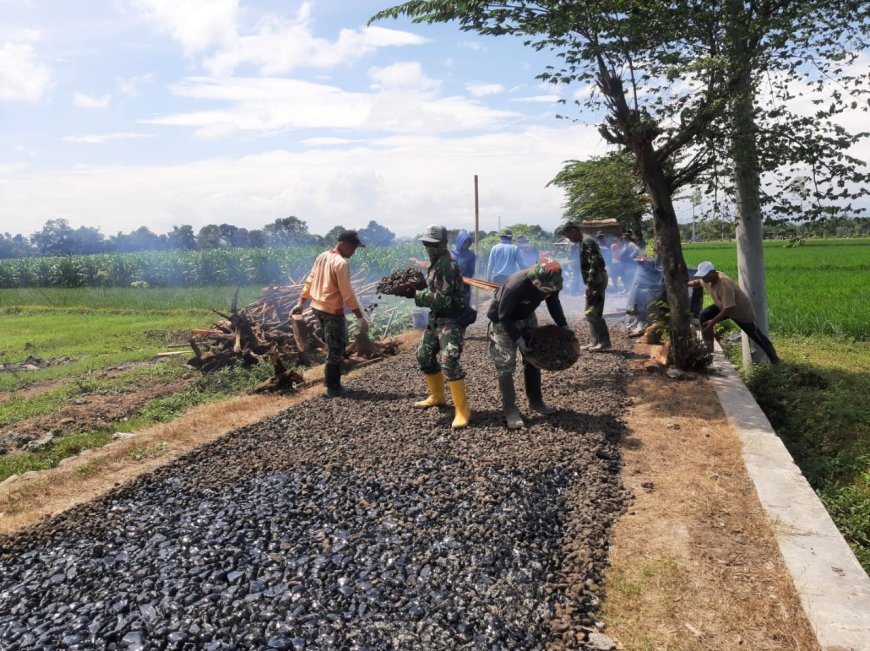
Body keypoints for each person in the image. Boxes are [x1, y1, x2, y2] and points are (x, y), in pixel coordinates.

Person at [394, 224, 471, 429]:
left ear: (444, 243)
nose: (429, 247)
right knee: (424, 355)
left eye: (433, 244)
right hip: (437, 319)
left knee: (449, 361)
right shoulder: (436, 263)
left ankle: (462, 410)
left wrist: (414, 294)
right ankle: (437, 397)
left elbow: (442, 299)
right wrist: (418, 288)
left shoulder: (446, 264)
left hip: (451, 319)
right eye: (426, 243)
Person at [487, 260, 568, 429]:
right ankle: (510, 409)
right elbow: (504, 316)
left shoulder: (552, 283)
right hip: (504, 320)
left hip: (527, 317)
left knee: (533, 357)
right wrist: (519, 341)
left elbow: (553, 303)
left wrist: (564, 326)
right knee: (506, 364)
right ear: (537, 281)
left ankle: (536, 401)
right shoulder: (516, 285)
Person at [293, 229, 368, 397]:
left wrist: (301, 302)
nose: (354, 252)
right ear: (342, 245)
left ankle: (330, 382)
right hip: (332, 311)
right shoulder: (341, 263)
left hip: (317, 307)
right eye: (353, 248)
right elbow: (347, 292)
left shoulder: (322, 256)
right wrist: (359, 316)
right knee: (336, 348)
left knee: (333, 344)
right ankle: (333, 387)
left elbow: (310, 279)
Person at [688, 261, 781, 364]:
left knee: (757, 336)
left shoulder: (725, 284)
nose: (703, 278)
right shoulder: (707, 279)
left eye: (705, 275)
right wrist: (685, 284)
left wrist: (713, 321)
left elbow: (728, 308)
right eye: (701, 275)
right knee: (704, 316)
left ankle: (775, 360)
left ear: (713, 272)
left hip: (740, 311)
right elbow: (697, 282)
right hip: (722, 305)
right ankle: (708, 348)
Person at [559, 222, 612, 352]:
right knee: (590, 312)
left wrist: (590, 283)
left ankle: (604, 342)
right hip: (595, 279)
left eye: (568, 236)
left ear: (573, 231)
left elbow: (594, 263)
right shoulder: (584, 241)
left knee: (593, 312)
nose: (569, 239)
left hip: (596, 279)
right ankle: (594, 342)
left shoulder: (587, 241)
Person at [450, 229, 476, 306]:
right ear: (459, 241)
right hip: (454, 283)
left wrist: (466, 277)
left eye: (468, 242)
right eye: (464, 241)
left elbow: (472, 269)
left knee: (465, 303)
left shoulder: (471, 255)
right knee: (454, 304)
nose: (466, 244)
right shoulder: (452, 254)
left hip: (466, 283)